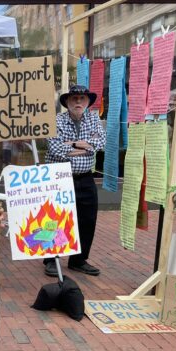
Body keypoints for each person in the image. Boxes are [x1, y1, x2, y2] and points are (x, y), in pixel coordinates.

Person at [44, 84, 105, 277]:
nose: (78, 102)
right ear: (67, 102)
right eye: (74, 98)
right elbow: (56, 149)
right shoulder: (56, 120)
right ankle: (52, 260)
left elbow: (100, 143)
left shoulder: (94, 119)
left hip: (86, 177)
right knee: (55, 219)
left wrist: (72, 145)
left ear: (87, 102)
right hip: (59, 176)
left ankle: (78, 260)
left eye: (82, 98)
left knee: (87, 219)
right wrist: (86, 147)